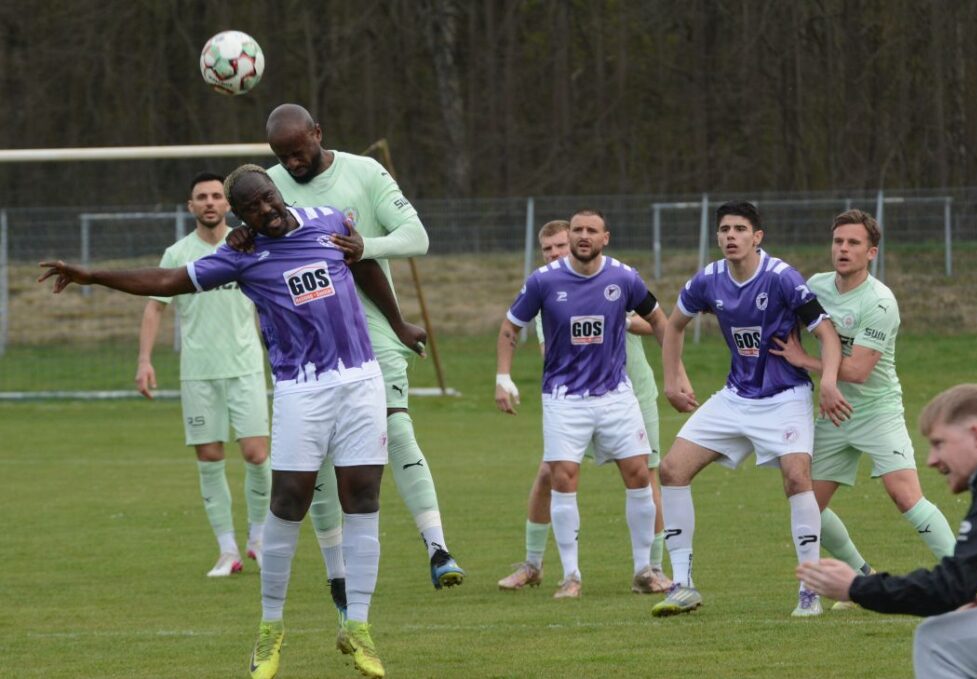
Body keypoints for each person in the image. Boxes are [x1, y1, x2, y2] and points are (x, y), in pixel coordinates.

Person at [39, 165, 407, 679]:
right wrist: (93, 275)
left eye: (269, 198)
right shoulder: (241, 255)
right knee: (288, 501)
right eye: (253, 206)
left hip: (361, 380)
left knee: (364, 498)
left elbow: (363, 263)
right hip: (302, 388)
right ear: (242, 215)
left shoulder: (328, 219)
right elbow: (167, 280)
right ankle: (269, 630)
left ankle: (359, 629)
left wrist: (399, 322)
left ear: (279, 193)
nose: (266, 209)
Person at [261, 103, 463, 592]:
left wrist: (364, 247)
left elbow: (417, 237)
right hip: (304, 345)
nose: (292, 164)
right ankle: (337, 571)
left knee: (396, 430)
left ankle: (437, 546)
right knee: (318, 458)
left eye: (299, 151)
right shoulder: (268, 187)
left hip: (372, 330)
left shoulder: (365, 172)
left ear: (318, 133)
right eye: (282, 156)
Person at [653, 200, 851, 618]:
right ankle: (683, 584)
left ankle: (809, 591)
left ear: (756, 237)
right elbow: (673, 325)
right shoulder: (708, 279)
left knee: (798, 479)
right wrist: (672, 380)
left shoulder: (782, 279)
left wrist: (828, 382)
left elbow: (827, 335)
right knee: (671, 469)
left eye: (740, 229)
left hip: (785, 397)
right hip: (735, 397)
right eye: (724, 229)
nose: (730, 236)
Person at [770, 209, 956, 609]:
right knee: (806, 505)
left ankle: (962, 578)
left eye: (853, 243)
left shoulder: (880, 302)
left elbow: (856, 369)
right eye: (838, 241)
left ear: (871, 252)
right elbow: (781, 319)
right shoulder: (816, 286)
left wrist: (807, 362)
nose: (843, 249)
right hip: (833, 414)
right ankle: (860, 576)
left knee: (905, 496)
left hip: (876, 410)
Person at [495, 209, 669, 599]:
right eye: (576, 231)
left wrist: (675, 373)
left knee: (642, 473)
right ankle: (565, 574)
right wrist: (503, 378)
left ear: (605, 237)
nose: (580, 237)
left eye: (590, 230)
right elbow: (512, 327)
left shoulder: (622, 277)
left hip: (622, 394)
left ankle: (648, 569)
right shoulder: (544, 284)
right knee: (558, 476)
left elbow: (660, 319)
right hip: (566, 398)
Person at [798, 384, 977, 679]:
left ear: (976, 435)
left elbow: (950, 588)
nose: (931, 459)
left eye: (939, 443)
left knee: (936, 640)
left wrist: (856, 587)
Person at [135, 172, 271, 578]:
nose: (210, 202)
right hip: (198, 373)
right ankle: (227, 551)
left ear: (228, 205)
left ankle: (259, 541)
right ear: (190, 206)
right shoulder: (177, 253)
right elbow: (154, 305)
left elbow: (270, 303)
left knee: (257, 455)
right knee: (210, 457)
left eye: (216, 196)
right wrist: (144, 360)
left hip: (246, 368)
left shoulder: (248, 247)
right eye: (201, 197)